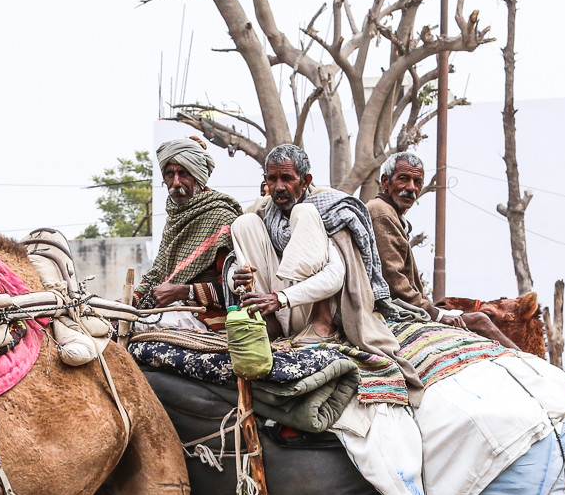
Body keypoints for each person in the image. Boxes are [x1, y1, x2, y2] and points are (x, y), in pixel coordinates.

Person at [229, 145, 419, 389]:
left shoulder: (325, 209)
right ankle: (269, 326)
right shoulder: (264, 211)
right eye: (272, 179)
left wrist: (282, 298)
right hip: (274, 313)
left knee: (304, 210)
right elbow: (238, 271)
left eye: (287, 178)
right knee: (244, 223)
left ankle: (322, 324)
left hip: (307, 313)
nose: (278, 187)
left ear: (305, 180)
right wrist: (237, 277)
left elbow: (335, 276)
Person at [368, 150, 518, 349]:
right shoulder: (381, 213)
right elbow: (395, 282)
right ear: (385, 182)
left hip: (405, 307)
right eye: (403, 179)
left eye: (417, 181)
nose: (411, 188)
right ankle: (538, 369)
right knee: (481, 321)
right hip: (392, 311)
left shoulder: (393, 215)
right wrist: (435, 314)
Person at [133, 136, 242, 330]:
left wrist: (182, 292)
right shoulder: (174, 220)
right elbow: (158, 274)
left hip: (209, 316)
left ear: (197, 176)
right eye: (169, 174)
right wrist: (130, 301)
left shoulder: (221, 218)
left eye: (183, 173)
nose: (175, 182)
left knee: (134, 327)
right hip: (174, 311)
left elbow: (234, 289)